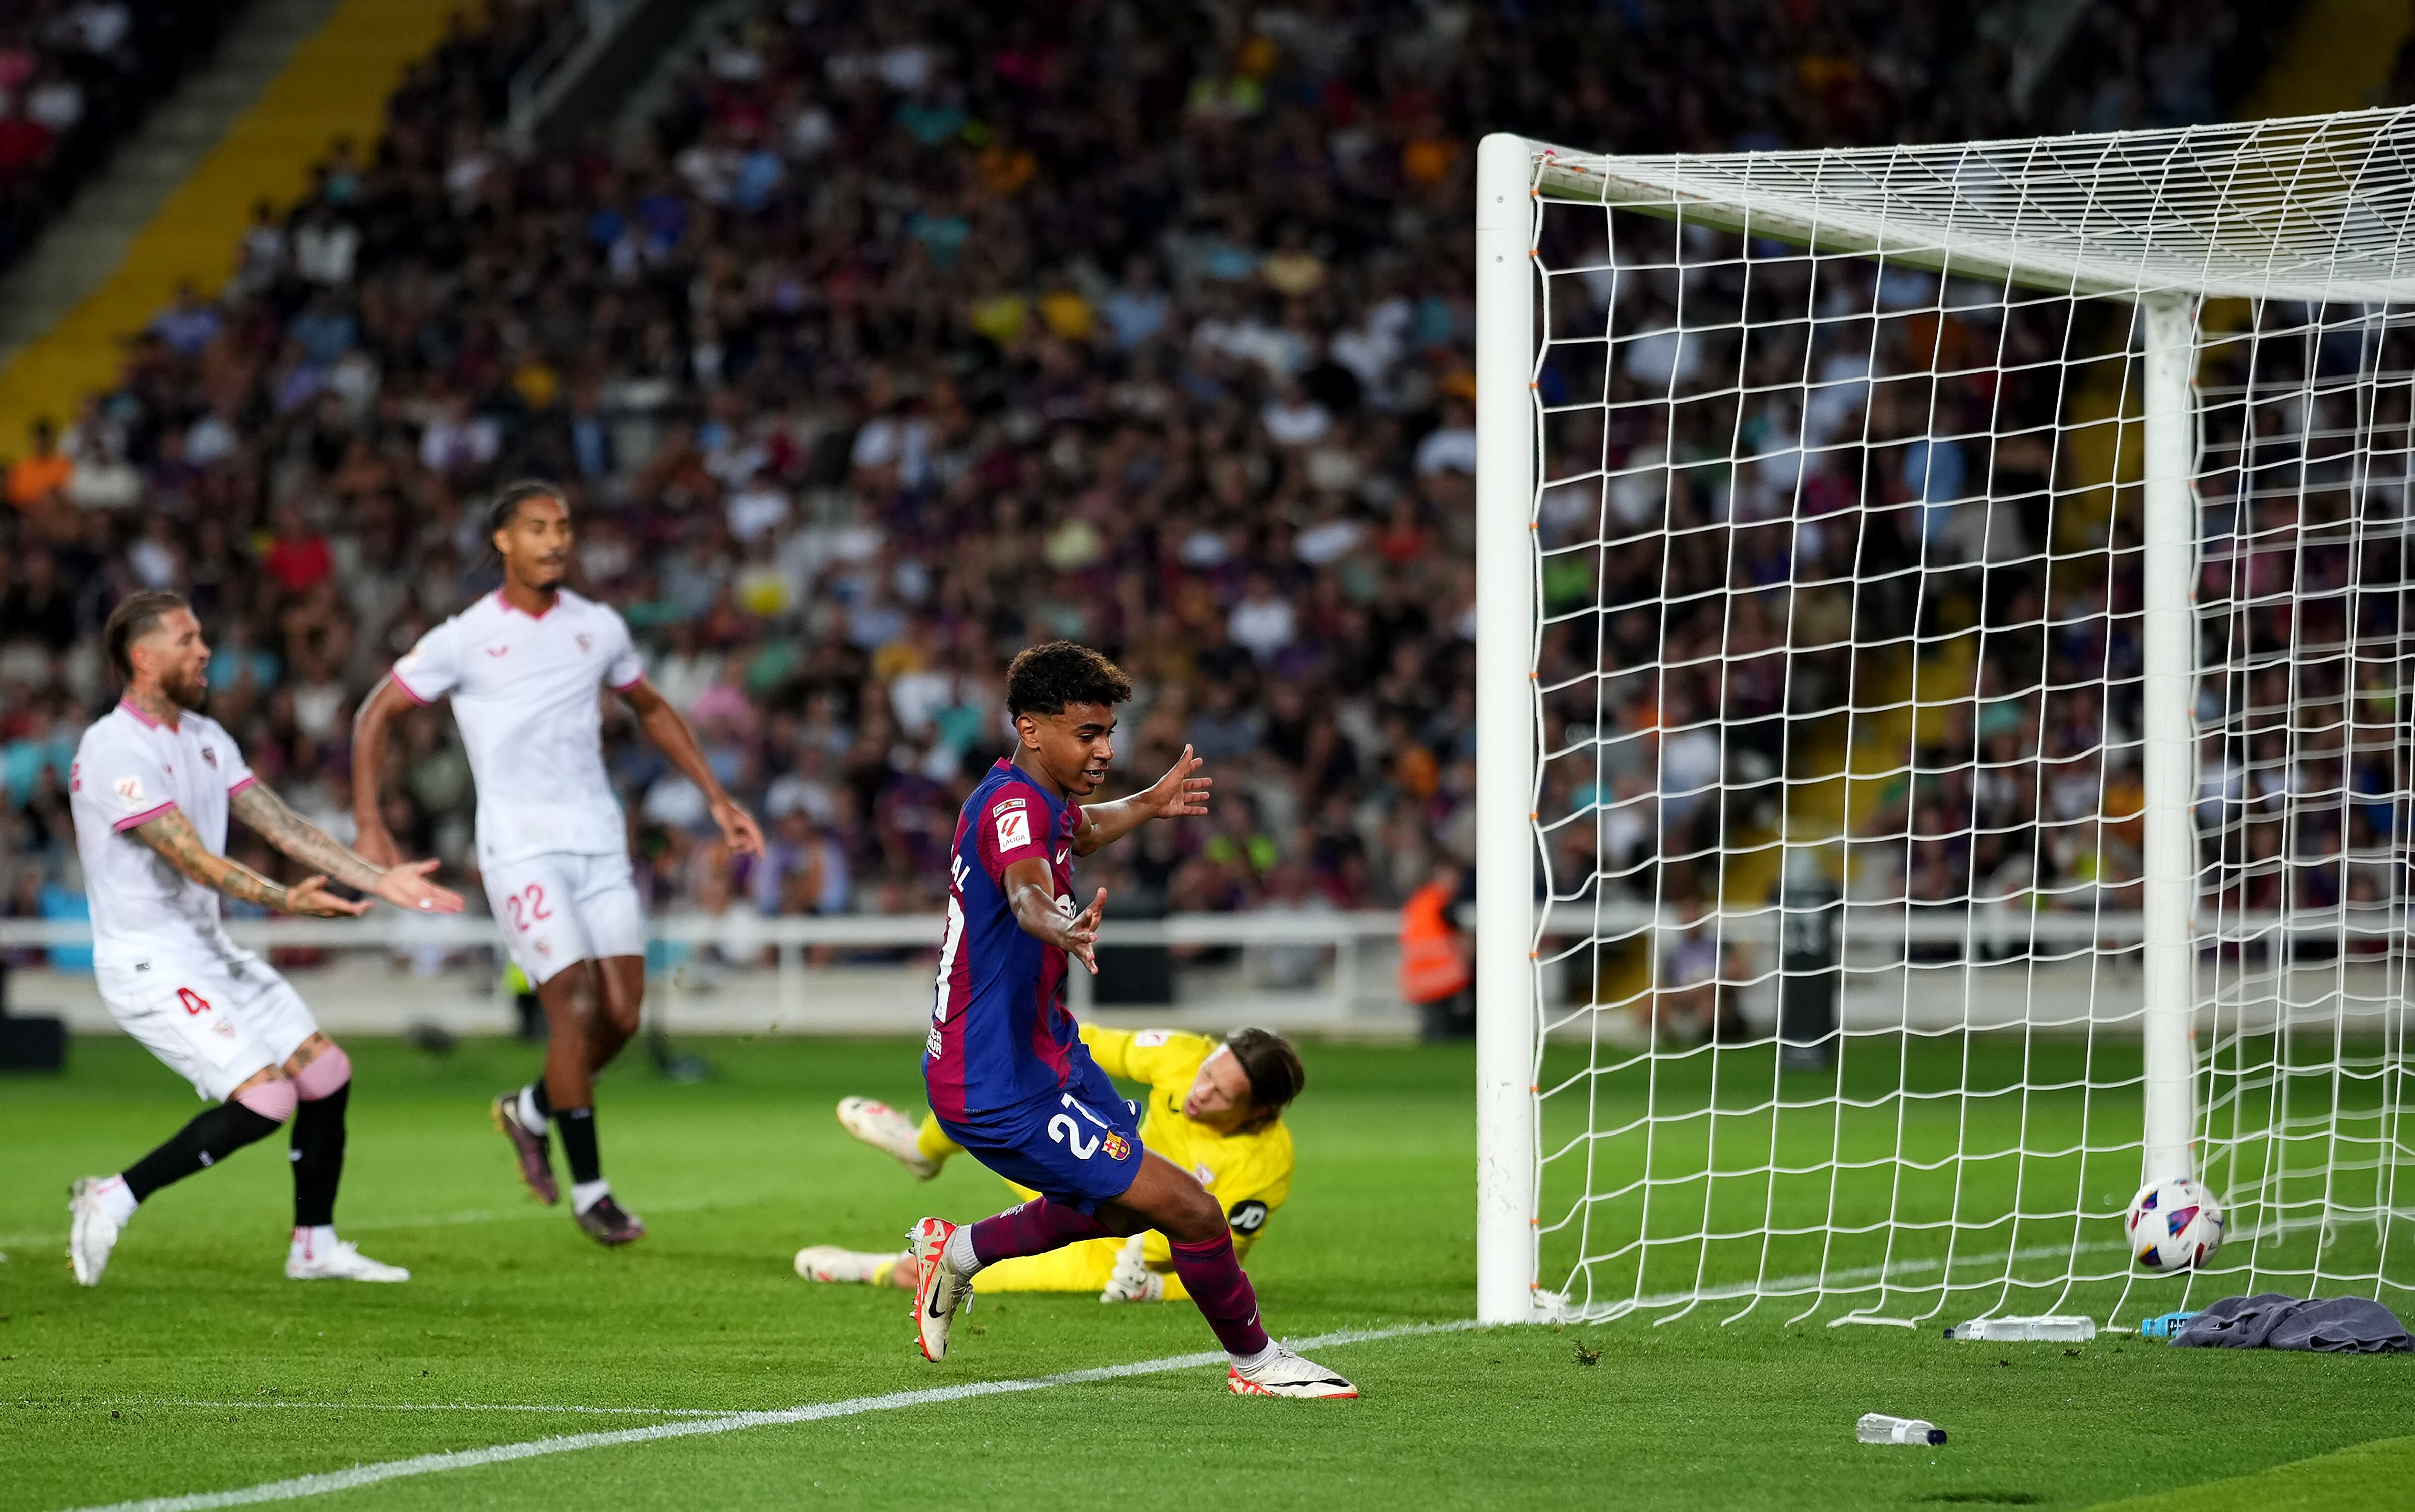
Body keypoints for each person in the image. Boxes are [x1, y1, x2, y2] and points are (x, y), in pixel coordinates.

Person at [899, 640, 1356, 1398]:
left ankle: (958, 1253)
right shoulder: (1013, 810)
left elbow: (1072, 833)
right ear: (1031, 727)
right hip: (995, 1083)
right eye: (1088, 733)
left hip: (1045, 1056)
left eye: (1109, 732)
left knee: (1115, 1210)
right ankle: (1258, 1363)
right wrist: (1055, 923)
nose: (1105, 749)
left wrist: (1147, 803)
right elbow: (1023, 889)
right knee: (1193, 1211)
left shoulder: (1026, 794)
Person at [350, 481, 762, 1246]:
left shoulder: (597, 627)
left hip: (598, 841)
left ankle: (530, 1111)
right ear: (503, 540)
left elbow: (649, 707)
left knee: (625, 1016)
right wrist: (370, 824)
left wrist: (714, 796)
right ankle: (593, 1193)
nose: (555, 540)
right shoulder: (464, 637)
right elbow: (375, 711)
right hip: (519, 849)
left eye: (564, 527)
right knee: (569, 1006)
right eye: (537, 528)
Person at [65, 592, 464, 1286]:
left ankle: (313, 1244)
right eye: (187, 639)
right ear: (143, 656)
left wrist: (378, 880)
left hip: (208, 950)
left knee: (325, 1075)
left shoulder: (206, 739)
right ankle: (112, 1197)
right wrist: (286, 901)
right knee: (267, 1099)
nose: (204, 650)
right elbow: (192, 858)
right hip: (147, 962)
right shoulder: (112, 749)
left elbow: (283, 826)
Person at [800, 1024, 1303, 1301]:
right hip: (1099, 1170)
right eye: (1209, 1073)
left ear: (1258, 1111)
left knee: (952, 1271)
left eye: (1221, 1094)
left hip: (1113, 1255)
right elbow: (1089, 1043)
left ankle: (870, 1270)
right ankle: (920, 1151)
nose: (1201, 1090)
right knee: (986, 1103)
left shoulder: (1268, 1163)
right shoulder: (1184, 1054)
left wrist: (1149, 1265)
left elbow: (1221, 1247)